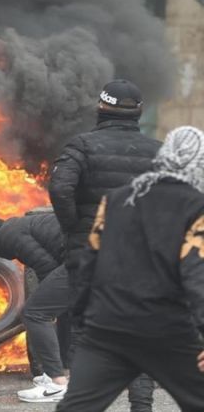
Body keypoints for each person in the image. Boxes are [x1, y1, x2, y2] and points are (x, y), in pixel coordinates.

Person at [56, 125, 204, 411]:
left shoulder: (115, 200)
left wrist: (84, 321)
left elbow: (88, 263)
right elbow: (197, 275)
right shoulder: (196, 206)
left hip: (107, 327)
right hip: (167, 331)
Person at [48, 79, 159, 409]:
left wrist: (74, 229)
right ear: (139, 112)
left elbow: (60, 188)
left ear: (101, 107)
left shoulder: (81, 146)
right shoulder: (161, 152)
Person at [0, 211, 74, 402]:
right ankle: (66, 377)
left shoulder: (9, 234)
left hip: (89, 256)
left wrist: (47, 302)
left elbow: (46, 267)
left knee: (34, 313)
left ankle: (56, 384)